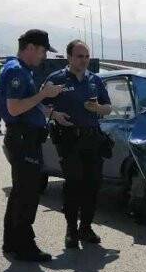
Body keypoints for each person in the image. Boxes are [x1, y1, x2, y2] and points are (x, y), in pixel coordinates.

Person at [0, 29, 67, 262]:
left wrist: (50, 111)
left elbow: (28, 103)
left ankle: (12, 243)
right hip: (23, 139)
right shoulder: (17, 70)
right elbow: (15, 107)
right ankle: (24, 245)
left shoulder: (23, 70)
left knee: (21, 192)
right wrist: (43, 94)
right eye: (43, 51)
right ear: (30, 48)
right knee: (27, 193)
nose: (44, 56)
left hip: (26, 138)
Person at [44, 40, 112, 249]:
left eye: (86, 56)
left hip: (91, 138)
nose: (84, 60)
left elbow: (108, 108)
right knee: (74, 184)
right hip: (68, 139)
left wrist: (97, 109)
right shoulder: (56, 79)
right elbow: (40, 105)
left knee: (92, 184)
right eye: (79, 56)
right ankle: (71, 230)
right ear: (69, 57)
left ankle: (86, 227)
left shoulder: (95, 80)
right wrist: (54, 114)